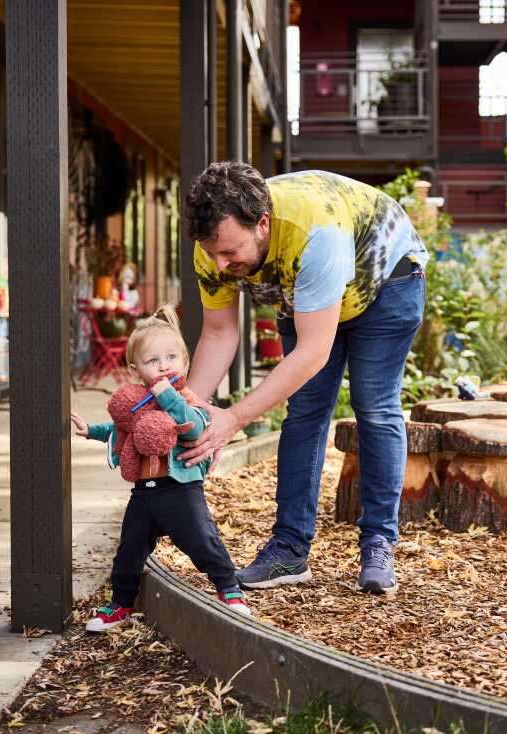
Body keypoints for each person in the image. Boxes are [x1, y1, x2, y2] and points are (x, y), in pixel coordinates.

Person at [179, 163, 428, 595]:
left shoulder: (316, 232)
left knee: (374, 406)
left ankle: (378, 543)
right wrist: (191, 413)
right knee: (304, 413)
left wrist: (232, 419)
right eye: (213, 252)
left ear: (262, 223)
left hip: (386, 282)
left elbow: (314, 353)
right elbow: (219, 332)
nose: (220, 263)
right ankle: (289, 551)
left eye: (230, 251)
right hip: (305, 296)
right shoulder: (213, 247)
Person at [70, 306, 252, 631]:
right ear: (136, 368)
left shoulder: (187, 399)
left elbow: (194, 428)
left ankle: (229, 589)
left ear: (184, 361)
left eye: (171, 357)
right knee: (129, 549)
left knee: (202, 539)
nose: (164, 365)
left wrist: (168, 396)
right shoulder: (138, 404)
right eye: (153, 361)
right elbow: (120, 430)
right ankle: (120, 603)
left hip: (180, 490)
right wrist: (91, 431)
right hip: (144, 493)